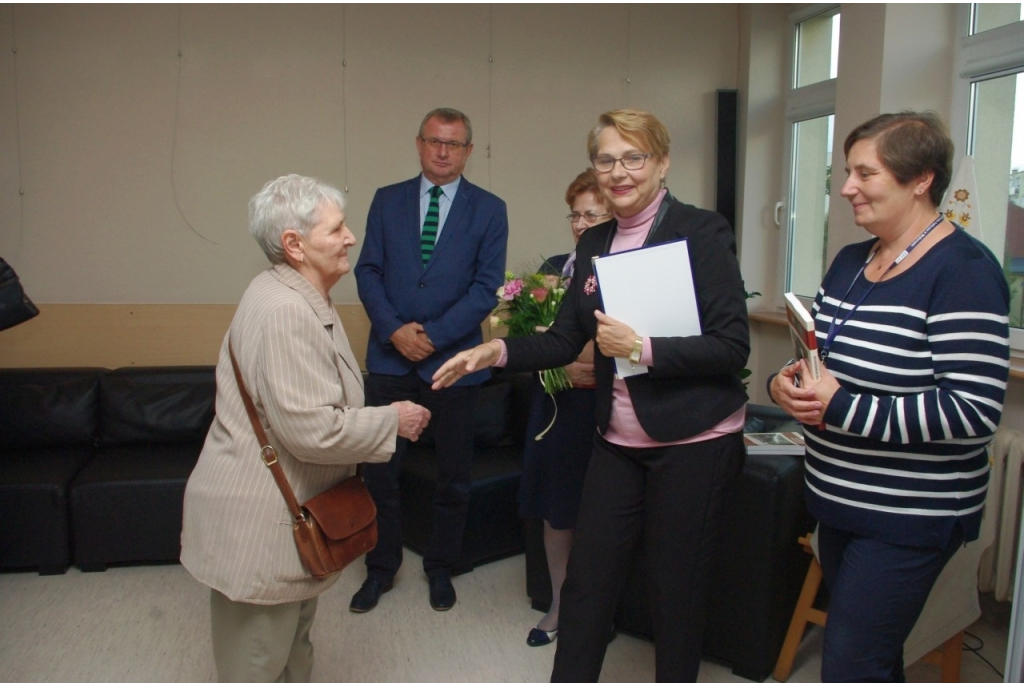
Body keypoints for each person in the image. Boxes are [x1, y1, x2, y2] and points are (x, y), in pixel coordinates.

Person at [433, 109, 750, 682]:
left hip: (694, 440)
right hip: (617, 439)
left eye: (634, 158)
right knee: (586, 584)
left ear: (662, 162)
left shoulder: (702, 232)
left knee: (674, 591)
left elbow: (732, 347)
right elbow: (563, 339)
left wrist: (642, 346)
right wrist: (496, 352)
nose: (619, 172)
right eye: (606, 160)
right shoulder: (597, 238)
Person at [768, 111, 1010, 682]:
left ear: (921, 179)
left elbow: (973, 413)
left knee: (852, 663)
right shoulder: (853, 261)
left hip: (909, 515)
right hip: (839, 498)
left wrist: (841, 406)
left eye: (864, 173)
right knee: (867, 660)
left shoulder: (964, 272)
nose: (846, 187)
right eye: (846, 172)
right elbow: (823, 356)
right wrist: (787, 381)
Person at [180, 174, 431, 682]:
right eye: (336, 229)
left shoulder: (287, 290)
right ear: (294, 245)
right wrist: (394, 420)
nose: (351, 238)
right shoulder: (286, 311)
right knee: (256, 662)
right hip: (259, 522)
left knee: (292, 648)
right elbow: (311, 432)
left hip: (282, 512)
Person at [352, 107, 509, 613]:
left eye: (454, 144)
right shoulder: (386, 200)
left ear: (467, 151)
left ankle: (441, 567)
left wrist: (433, 337)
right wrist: (396, 331)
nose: (442, 152)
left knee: (453, 475)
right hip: (389, 359)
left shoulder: (490, 209)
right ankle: (380, 568)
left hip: (456, 362)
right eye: (434, 141)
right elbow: (368, 271)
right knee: (380, 473)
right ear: (419, 144)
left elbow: (486, 288)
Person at [520, 169, 608, 648]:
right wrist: (556, 366)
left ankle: (596, 613)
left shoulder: (622, 268)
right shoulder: (555, 267)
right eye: (574, 213)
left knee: (598, 517)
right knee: (556, 515)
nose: (579, 223)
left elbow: (626, 346)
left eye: (591, 213)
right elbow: (525, 339)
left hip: (600, 411)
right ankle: (558, 602)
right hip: (555, 406)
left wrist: (566, 355)